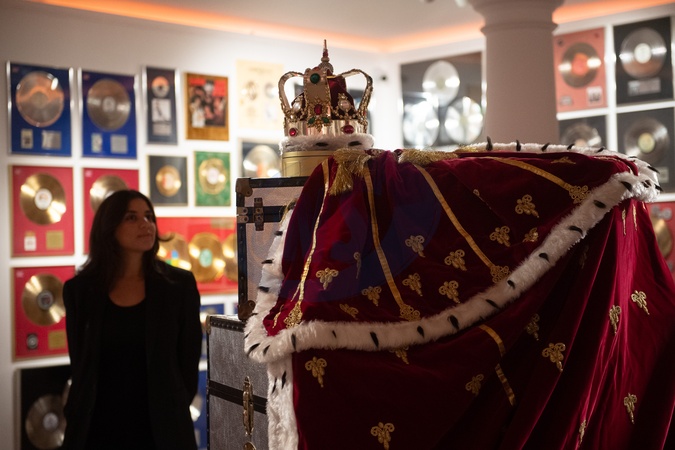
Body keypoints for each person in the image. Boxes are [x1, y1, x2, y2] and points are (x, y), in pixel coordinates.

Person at [62, 189, 202, 450]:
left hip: (161, 430)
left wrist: (173, 409)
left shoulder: (178, 286)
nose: (145, 224)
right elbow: (81, 365)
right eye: (131, 217)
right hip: (97, 428)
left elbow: (188, 362)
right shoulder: (80, 291)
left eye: (149, 216)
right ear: (109, 227)